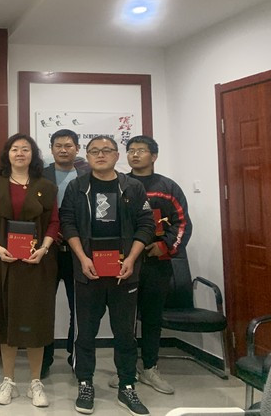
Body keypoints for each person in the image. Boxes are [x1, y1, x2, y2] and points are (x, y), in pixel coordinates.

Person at [59, 135, 155, 416]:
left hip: (124, 272)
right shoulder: (77, 186)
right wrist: (82, 258)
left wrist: (132, 259)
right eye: (94, 151)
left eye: (106, 150)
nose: (100, 155)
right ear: (86, 156)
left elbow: (146, 225)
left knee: (125, 333)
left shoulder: (132, 187)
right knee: (85, 333)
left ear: (116, 155)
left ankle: (127, 385)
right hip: (88, 271)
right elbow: (68, 224)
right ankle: (85, 383)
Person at [0, 133, 60, 407]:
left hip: (36, 263)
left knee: (35, 320)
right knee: (5, 320)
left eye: (25, 149)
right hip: (3, 262)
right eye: (15, 149)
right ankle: (9, 381)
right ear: (7, 154)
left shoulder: (46, 187)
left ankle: (35, 382)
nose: (19, 153)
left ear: (33, 155)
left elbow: (54, 223)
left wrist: (44, 249)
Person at [113, 135, 191, 394]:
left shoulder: (167, 187)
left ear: (154, 156)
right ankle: (126, 369)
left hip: (156, 262)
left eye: (141, 150)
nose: (135, 155)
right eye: (131, 150)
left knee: (151, 316)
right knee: (124, 318)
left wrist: (165, 246)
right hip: (125, 261)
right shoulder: (119, 184)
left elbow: (182, 223)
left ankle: (150, 367)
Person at [41, 129, 89, 378]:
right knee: (43, 306)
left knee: (78, 308)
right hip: (46, 250)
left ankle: (75, 356)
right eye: (58, 145)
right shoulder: (40, 174)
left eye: (68, 145)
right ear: (51, 149)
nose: (63, 150)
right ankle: (43, 359)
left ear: (77, 149)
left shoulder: (87, 176)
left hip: (76, 251)